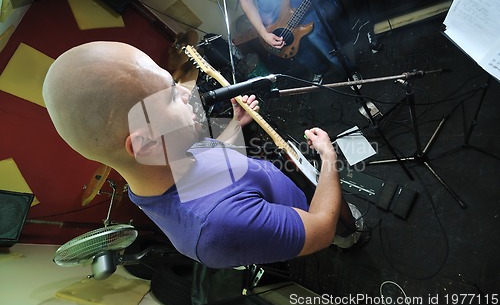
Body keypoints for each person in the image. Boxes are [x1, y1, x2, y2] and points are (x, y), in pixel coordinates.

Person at [42, 41, 365, 269]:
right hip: (315, 216)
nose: (187, 92)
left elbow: (214, 161)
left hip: (293, 189)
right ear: (146, 143)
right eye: (171, 94)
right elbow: (320, 231)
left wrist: (235, 127)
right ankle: (351, 238)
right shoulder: (219, 226)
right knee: (344, 231)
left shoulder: (163, 158)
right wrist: (328, 162)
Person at [229, 0, 358, 83]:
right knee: (298, 52)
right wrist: (263, 33)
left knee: (326, 46)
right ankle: (320, 70)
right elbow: (245, 0)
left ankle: (349, 72)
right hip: (271, 16)